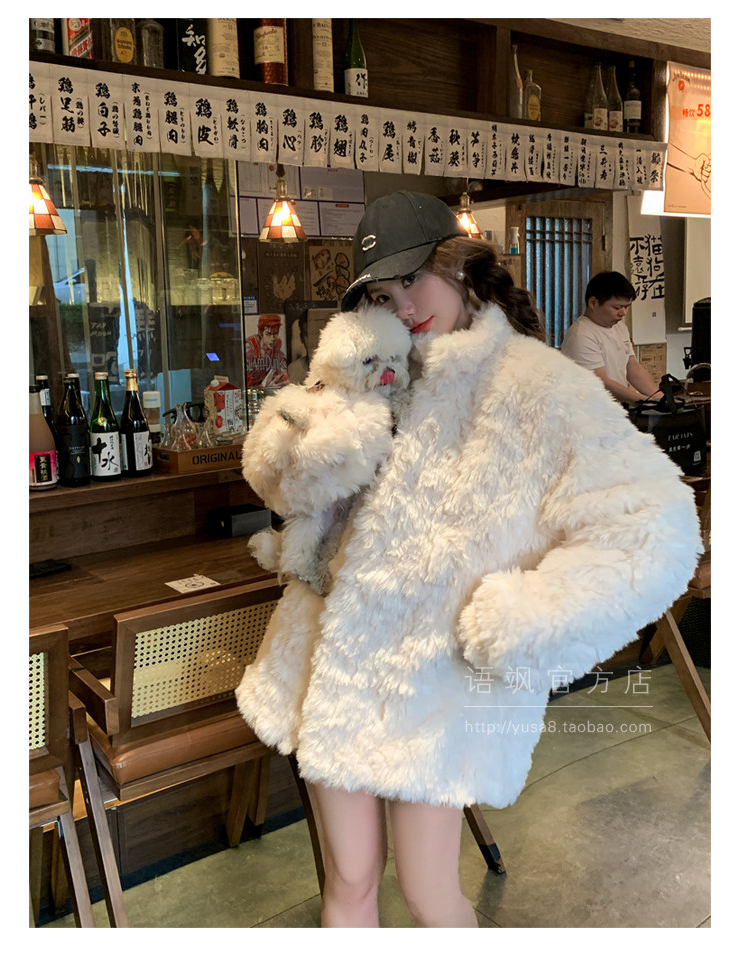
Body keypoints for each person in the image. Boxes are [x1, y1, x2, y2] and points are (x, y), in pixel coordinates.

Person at [236, 191, 701, 928]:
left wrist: (526, 620)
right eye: (381, 294)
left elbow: (657, 526)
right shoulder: (369, 369)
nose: (402, 305)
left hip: (438, 680)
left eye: (412, 278)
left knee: (428, 892)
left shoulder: (534, 383)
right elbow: (281, 489)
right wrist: (317, 430)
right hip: (328, 663)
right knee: (348, 882)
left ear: (457, 266)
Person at [560, 271, 662, 404]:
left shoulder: (620, 327)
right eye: (617, 307)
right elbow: (601, 382)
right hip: (590, 409)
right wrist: (646, 401)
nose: (623, 313)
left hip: (614, 408)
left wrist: (660, 398)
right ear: (593, 303)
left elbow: (633, 368)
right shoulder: (581, 334)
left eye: (626, 307)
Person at [245, 315, 289, 388]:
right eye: (268, 334)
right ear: (261, 333)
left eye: (275, 333)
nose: (272, 339)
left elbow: (284, 374)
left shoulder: (277, 348)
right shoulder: (249, 348)